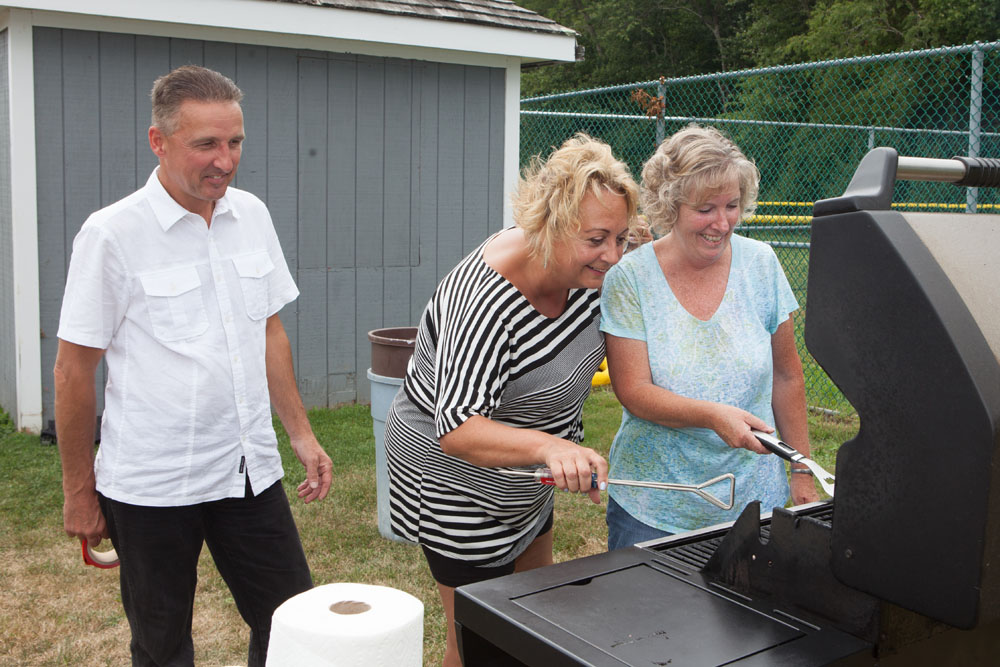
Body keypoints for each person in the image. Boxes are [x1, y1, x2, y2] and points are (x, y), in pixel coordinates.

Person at [53, 65, 333, 667]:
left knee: (293, 627)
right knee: (161, 646)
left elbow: (268, 330)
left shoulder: (251, 215)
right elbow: (74, 371)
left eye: (234, 142)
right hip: (152, 486)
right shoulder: (111, 234)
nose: (225, 161)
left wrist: (301, 435)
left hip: (246, 471)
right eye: (205, 144)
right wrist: (80, 492)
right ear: (159, 141)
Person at [385, 133, 640, 666]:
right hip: (456, 482)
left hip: (525, 475)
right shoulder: (484, 299)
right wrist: (550, 449)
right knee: (477, 646)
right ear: (549, 224)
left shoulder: (589, 268)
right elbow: (457, 427)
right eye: (598, 239)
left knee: (538, 621)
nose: (614, 256)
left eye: (620, 237)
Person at [600, 125, 819, 550]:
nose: (722, 223)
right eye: (705, 209)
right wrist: (715, 415)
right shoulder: (630, 278)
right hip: (655, 505)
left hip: (754, 503)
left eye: (732, 205)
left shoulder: (761, 265)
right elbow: (634, 391)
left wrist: (802, 470)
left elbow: (787, 377)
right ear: (671, 205)